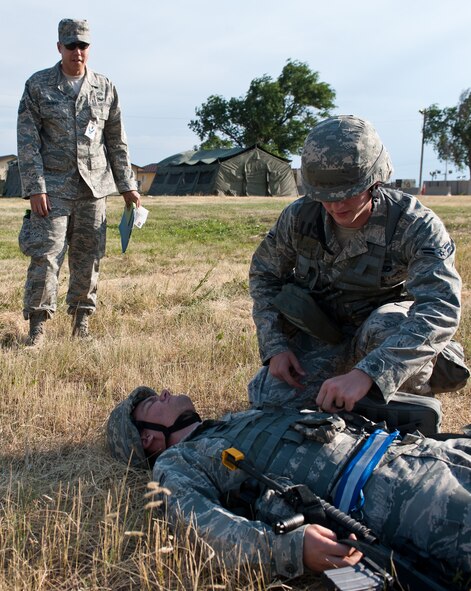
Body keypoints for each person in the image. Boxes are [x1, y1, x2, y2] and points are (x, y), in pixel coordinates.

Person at [106, 386, 471, 584]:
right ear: (148, 440)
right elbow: (199, 527)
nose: (166, 392)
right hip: (407, 498)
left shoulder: (238, 418)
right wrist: (289, 548)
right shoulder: (179, 461)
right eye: (154, 403)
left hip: (426, 451)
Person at [248, 115, 468, 414]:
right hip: (323, 333)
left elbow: (439, 307)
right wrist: (276, 346)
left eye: (349, 193)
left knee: (386, 326)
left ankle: (420, 380)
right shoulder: (300, 217)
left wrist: (371, 373)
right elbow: (265, 275)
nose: (336, 206)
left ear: (376, 180)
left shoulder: (414, 225)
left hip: (383, 336)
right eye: (325, 196)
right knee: (271, 401)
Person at [17, 18, 141, 346]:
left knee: (89, 259)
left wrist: (128, 186)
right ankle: (37, 330)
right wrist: (35, 186)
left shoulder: (105, 88)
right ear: (59, 47)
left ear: (89, 47)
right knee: (45, 256)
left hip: (93, 190)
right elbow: (27, 141)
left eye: (82, 45)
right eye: (70, 45)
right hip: (53, 189)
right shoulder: (38, 86)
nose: (77, 51)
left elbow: (116, 141)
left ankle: (81, 325)